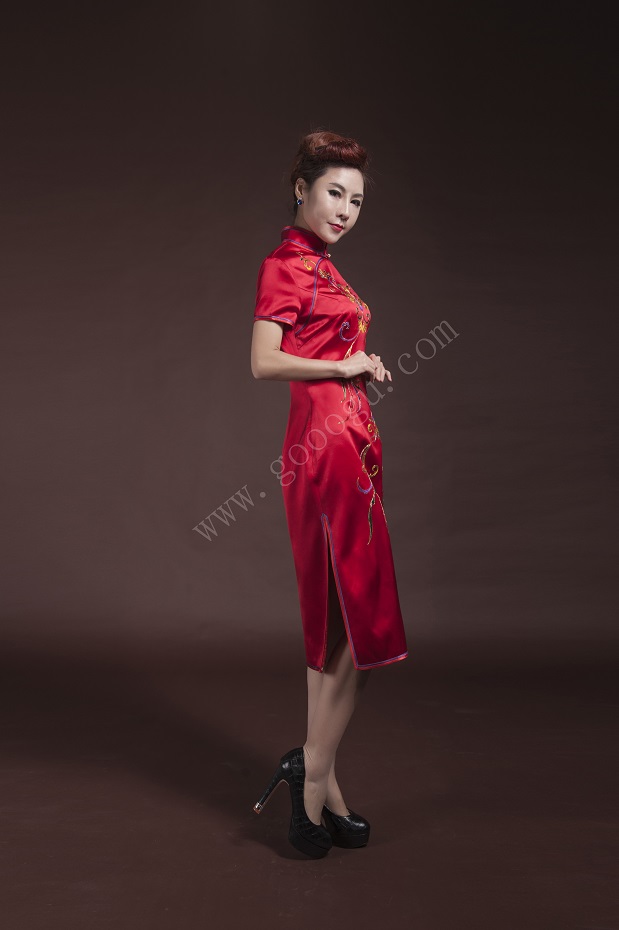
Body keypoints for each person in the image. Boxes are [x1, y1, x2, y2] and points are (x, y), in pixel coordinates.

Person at [250, 130, 409, 858]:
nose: (345, 209)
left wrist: (357, 365)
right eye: (334, 193)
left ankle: (321, 785)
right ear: (301, 190)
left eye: (357, 200)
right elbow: (263, 361)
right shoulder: (287, 264)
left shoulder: (324, 269)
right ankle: (310, 774)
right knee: (358, 625)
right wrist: (346, 365)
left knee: (335, 626)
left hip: (345, 442)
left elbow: (321, 349)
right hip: (326, 449)